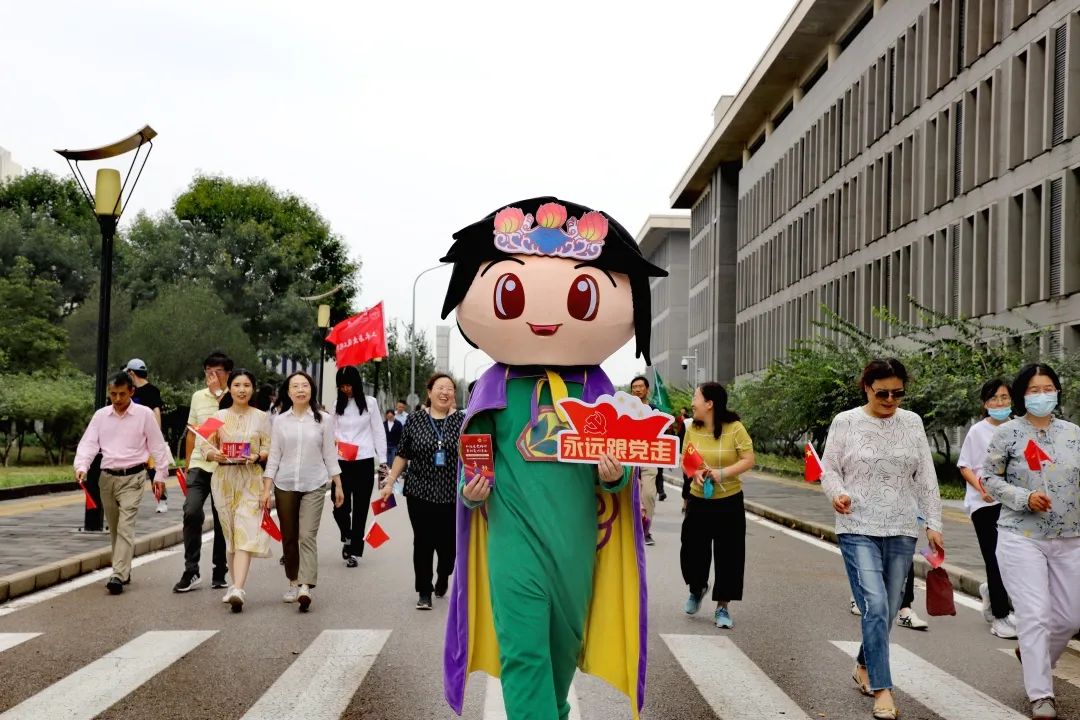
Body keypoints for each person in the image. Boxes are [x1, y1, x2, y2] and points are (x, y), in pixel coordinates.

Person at [441, 197, 665, 719]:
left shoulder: (600, 392)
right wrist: (470, 492)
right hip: (513, 540)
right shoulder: (493, 389)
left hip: (576, 543)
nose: (544, 318)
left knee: (562, 655)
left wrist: (615, 477)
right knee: (523, 655)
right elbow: (474, 466)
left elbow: (617, 477)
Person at [820, 358, 943, 720]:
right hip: (857, 524)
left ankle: (863, 664)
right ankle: (882, 688)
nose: (890, 400)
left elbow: (926, 476)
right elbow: (829, 469)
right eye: (882, 393)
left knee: (886, 609)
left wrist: (933, 523)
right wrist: (837, 494)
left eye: (898, 393)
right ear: (866, 388)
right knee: (874, 604)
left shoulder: (913, 422)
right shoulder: (845, 421)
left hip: (902, 527)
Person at [983, 363, 1080, 720]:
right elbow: (989, 479)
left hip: (1070, 536)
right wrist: (1024, 498)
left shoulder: (1074, 433)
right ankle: (1041, 695)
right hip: (1021, 536)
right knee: (1035, 616)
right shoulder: (1007, 433)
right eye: (1034, 390)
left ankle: (1032, 654)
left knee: (1070, 618)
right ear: (1022, 395)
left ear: (1057, 391)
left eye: (1048, 388)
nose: (1042, 395)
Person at [74, 372, 172, 595]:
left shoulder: (144, 415)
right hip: (107, 478)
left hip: (133, 477)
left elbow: (157, 446)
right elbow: (89, 443)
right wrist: (82, 466)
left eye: (122, 394)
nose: (117, 399)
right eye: (113, 394)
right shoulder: (101, 416)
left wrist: (160, 476)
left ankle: (117, 574)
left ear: (131, 392)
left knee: (126, 526)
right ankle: (123, 570)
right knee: (115, 527)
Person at [380, 373, 464, 609]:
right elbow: (403, 454)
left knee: (449, 546)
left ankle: (443, 574)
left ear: (453, 394)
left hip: (451, 494)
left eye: (449, 388)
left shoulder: (462, 421)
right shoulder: (415, 420)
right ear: (429, 392)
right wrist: (390, 482)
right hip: (420, 492)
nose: (445, 392)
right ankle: (424, 591)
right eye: (440, 388)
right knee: (423, 542)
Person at [263, 371, 344, 612]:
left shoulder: (324, 420)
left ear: (311, 390)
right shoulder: (280, 421)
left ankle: (305, 586)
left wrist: (338, 484)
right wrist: (266, 489)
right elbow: (274, 456)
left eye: (305, 386)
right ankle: (293, 580)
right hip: (285, 484)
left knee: (307, 535)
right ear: (288, 392)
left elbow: (330, 454)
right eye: (295, 386)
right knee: (289, 537)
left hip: (314, 484)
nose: (301, 390)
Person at [680, 382, 756, 629]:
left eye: (696, 398)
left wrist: (722, 473)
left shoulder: (735, 428)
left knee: (729, 555)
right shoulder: (692, 428)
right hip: (698, 500)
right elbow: (686, 459)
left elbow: (749, 459)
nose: (692, 403)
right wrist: (694, 473)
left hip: (729, 502)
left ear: (709, 403)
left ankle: (723, 606)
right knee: (692, 550)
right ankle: (697, 588)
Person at [204, 369, 272, 612]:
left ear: (253, 389)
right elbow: (204, 446)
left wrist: (257, 455)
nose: (242, 390)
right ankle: (234, 586)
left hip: (251, 479)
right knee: (231, 535)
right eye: (237, 385)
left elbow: (269, 447)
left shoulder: (262, 417)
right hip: (223, 480)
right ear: (230, 389)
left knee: (245, 530)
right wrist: (214, 454)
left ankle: (239, 588)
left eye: (246, 385)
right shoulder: (217, 416)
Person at [957, 378, 1017, 639]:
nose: (1000, 403)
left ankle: (992, 593)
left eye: (1004, 397)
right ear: (985, 403)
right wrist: (982, 489)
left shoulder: (1019, 428)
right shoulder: (977, 431)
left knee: (1013, 559)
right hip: (984, 503)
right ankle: (1000, 617)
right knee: (994, 558)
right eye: (994, 398)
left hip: (1012, 503)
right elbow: (965, 466)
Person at [173, 352, 232, 593]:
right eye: (208, 372)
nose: (212, 376)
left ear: (228, 374)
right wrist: (189, 464)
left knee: (221, 519)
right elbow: (191, 432)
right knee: (191, 511)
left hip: (224, 465)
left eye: (218, 372)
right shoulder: (198, 396)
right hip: (200, 464)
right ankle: (191, 569)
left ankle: (219, 570)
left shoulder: (236, 395)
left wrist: (220, 395)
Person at [332, 365, 387, 568]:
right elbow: (332, 432)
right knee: (339, 506)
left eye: (348, 385)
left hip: (364, 460)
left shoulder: (370, 403)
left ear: (356, 384)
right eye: (342, 386)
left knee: (361, 508)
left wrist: (383, 462)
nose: (346, 389)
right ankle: (346, 535)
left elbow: (378, 431)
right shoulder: (337, 404)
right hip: (342, 461)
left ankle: (355, 551)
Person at [125, 358, 168, 514]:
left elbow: (156, 412)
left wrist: (157, 436)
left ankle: (161, 499)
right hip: (132, 438)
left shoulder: (152, 390)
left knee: (154, 470)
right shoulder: (130, 391)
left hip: (148, 437)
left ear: (131, 373)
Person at [630, 374, 659, 545]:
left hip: (649, 456)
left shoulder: (655, 411)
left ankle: (645, 530)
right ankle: (630, 530)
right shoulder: (624, 409)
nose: (637, 389)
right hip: (629, 456)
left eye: (640, 386)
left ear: (647, 389)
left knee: (648, 494)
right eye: (634, 387)